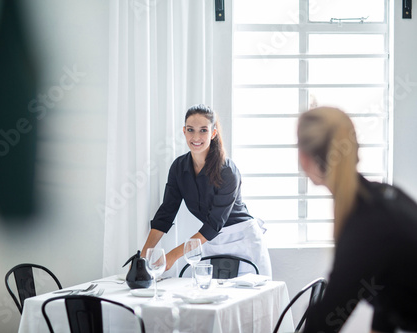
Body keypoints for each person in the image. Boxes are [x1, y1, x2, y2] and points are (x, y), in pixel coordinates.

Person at [298, 107, 417, 333]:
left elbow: (325, 322)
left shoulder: (365, 226)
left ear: (305, 159)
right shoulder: (381, 198)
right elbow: (388, 284)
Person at [140, 104, 272, 277]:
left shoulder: (227, 171)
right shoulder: (178, 168)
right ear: (184, 132)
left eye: (203, 130)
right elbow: (166, 213)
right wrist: (142, 257)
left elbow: (214, 224)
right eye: (190, 130)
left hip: (242, 239)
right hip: (210, 239)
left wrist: (172, 256)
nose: (196, 136)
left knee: (250, 301)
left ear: (213, 133)